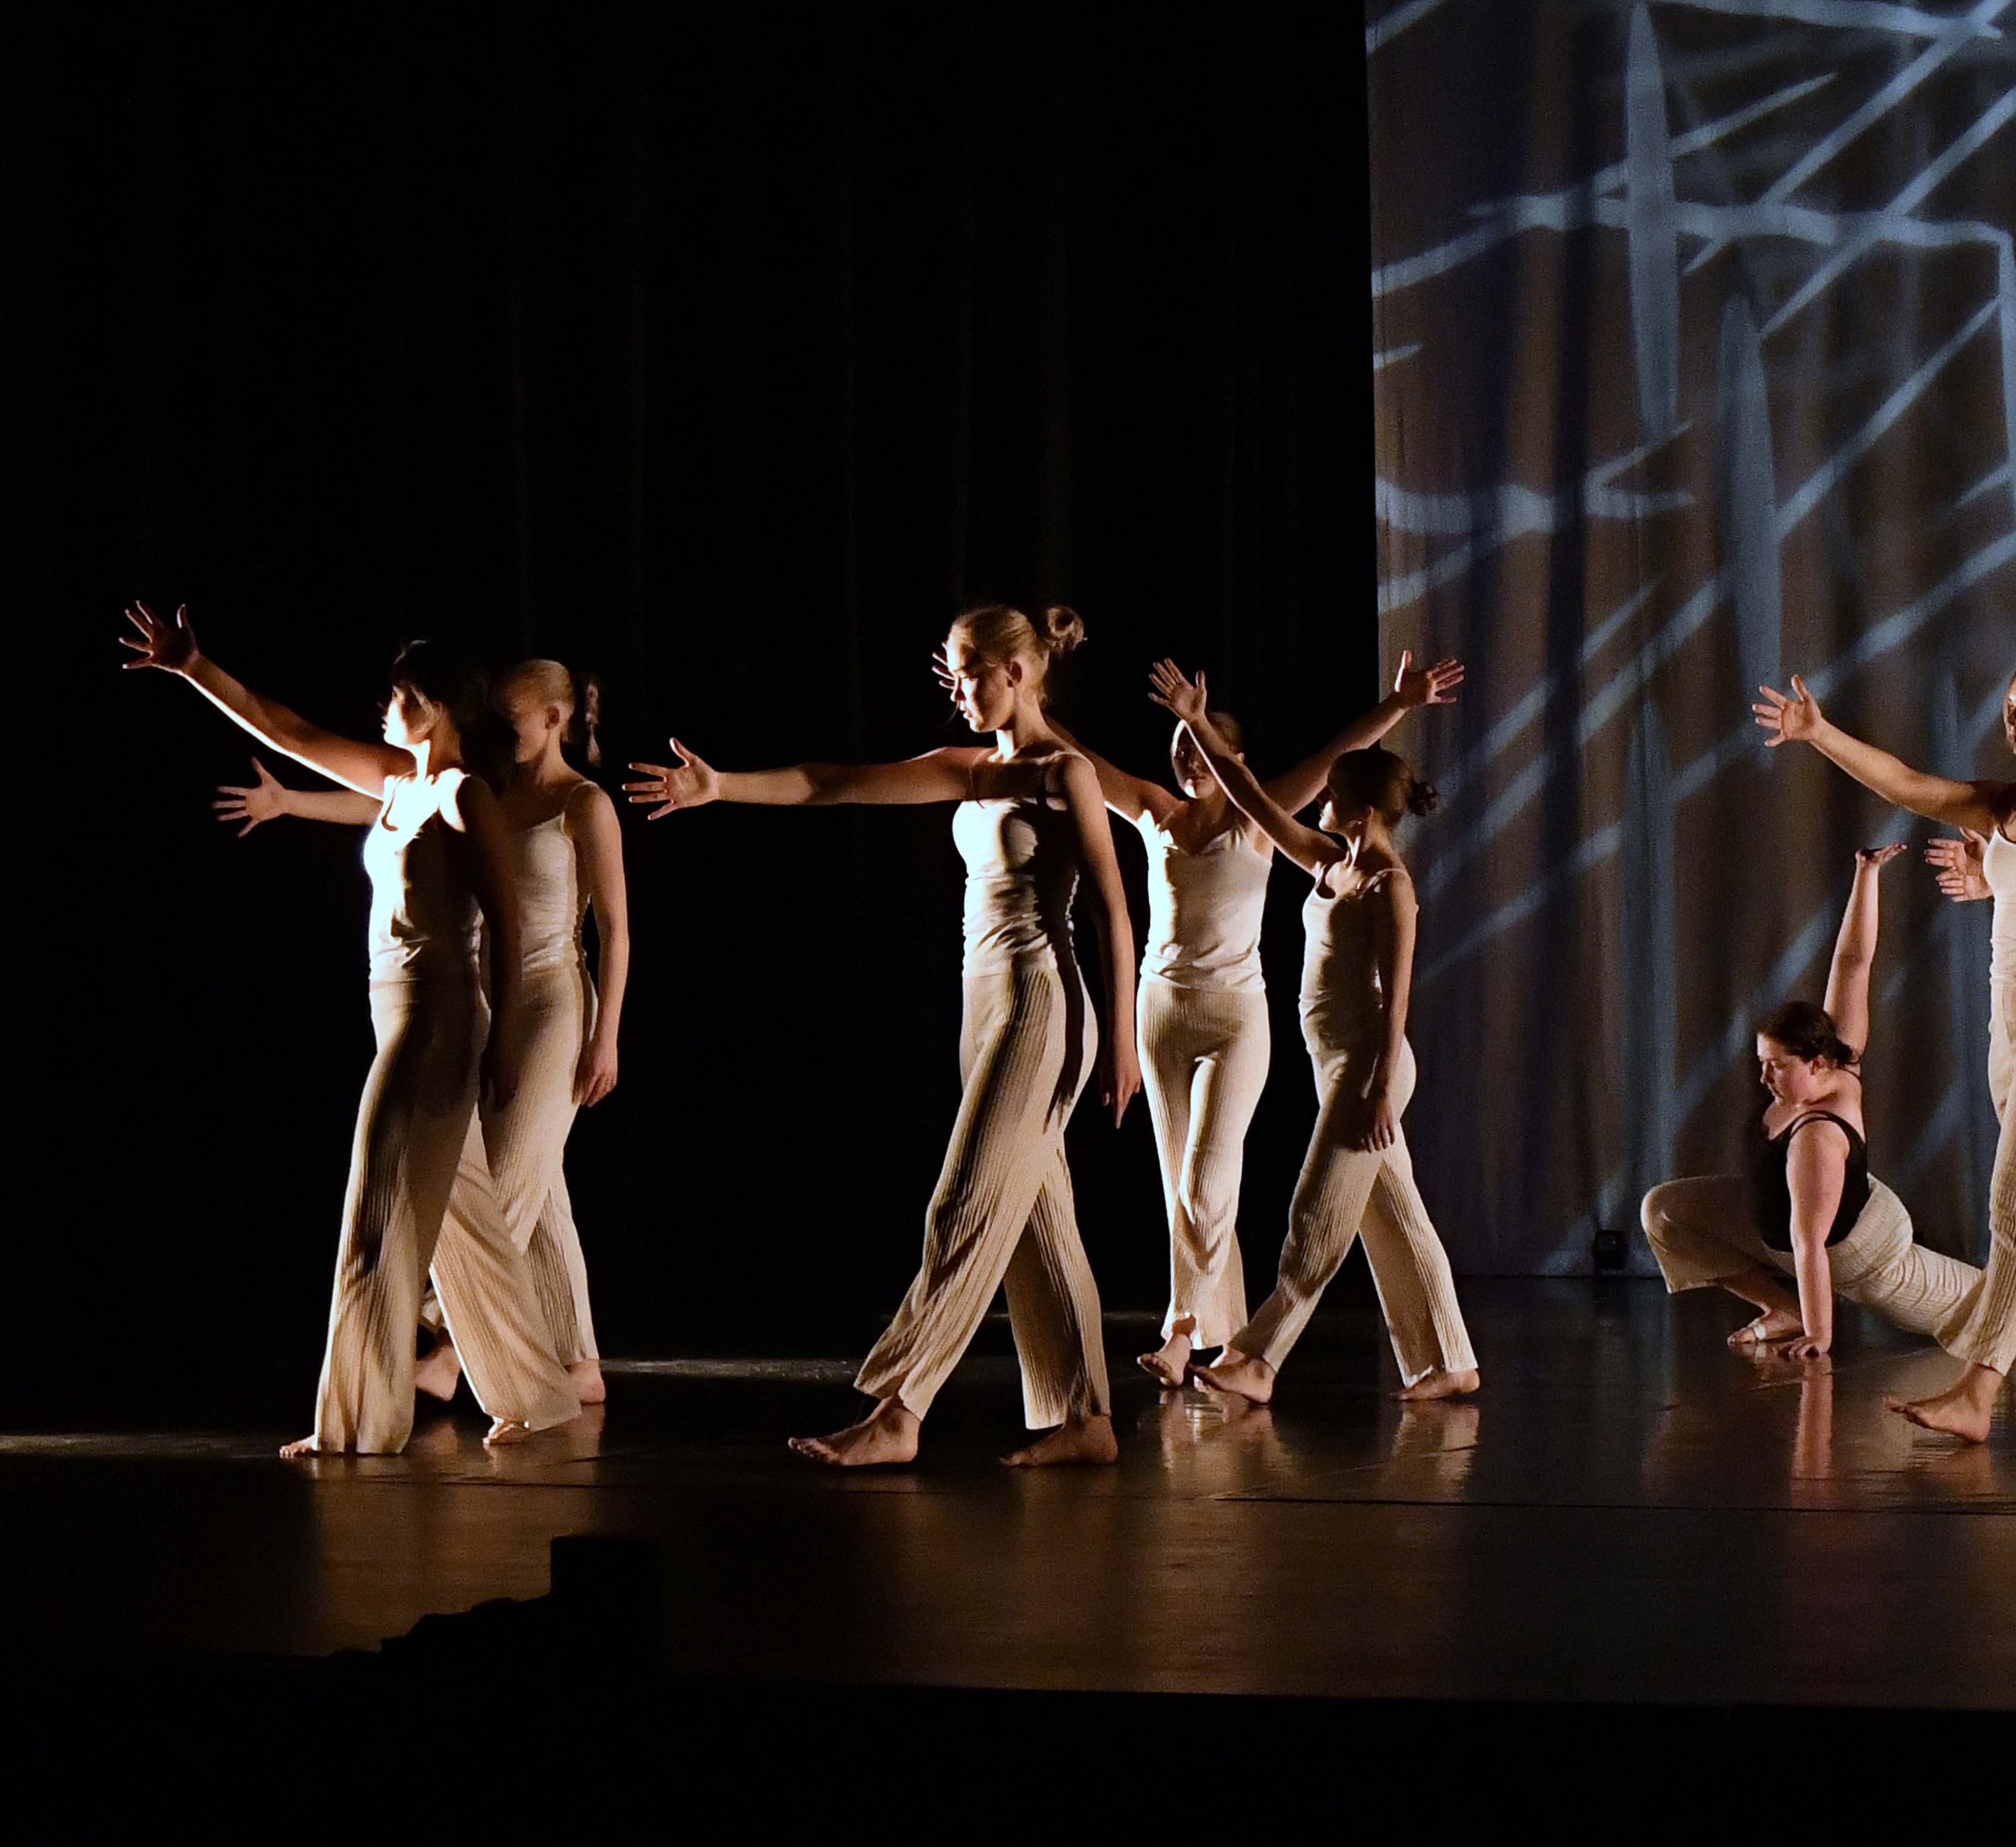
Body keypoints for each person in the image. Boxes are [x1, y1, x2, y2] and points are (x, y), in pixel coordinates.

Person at [626, 604, 1140, 1466]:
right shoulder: (970, 769)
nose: (961, 692)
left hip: (1045, 1002)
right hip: (985, 1004)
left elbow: (1118, 914)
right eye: (952, 674)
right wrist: (723, 787)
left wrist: (1122, 1041)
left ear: (1018, 673)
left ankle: (901, 1410)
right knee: (1036, 1214)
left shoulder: (1067, 773)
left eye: (971, 674)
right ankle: (1086, 1421)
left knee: (966, 1201)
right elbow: (830, 782)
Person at [123, 603, 581, 1454]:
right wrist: (195, 668)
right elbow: (289, 729)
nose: (386, 704)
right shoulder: (398, 781)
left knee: (375, 1214)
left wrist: (509, 1039)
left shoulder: (461, 794)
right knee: (462, 1224)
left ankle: (356, 1426)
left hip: (441, 1022)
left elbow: (509, 925)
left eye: (402, 693)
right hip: (394, 1010)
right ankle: (538, 1396)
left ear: (438, 707)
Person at [1754, 656, 2016, 1442]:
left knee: (2014, 1207)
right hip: (2009, 1032)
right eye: (2007, 705)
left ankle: (1977, 1391)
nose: (2010, 718)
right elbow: (1908, 785)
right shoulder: (2006, 805)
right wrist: (1820, 732)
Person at [220, 657, 626, 1407]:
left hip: (552, 1006)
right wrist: (291, 803)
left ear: (555, 720)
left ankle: (446, 1348)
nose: (499, 732)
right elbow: (393, 808)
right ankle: (575, 1361)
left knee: (503, 1187)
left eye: (512, 720)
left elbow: (615, 929)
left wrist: (607, 1038)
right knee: (543, 1184)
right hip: (491, 988)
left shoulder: (584, 801)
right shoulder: (488, 789)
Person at [1077, 654, 1464, 1389]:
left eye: (1333, 796)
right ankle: (1452, 1360)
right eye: (1180, 750)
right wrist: (1180, 722)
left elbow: (1399, 1000)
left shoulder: (1387, 883)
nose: (1319, 801)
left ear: (1362, 810)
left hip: (1345, 1058)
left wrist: (1399, 703)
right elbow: (1250, 792)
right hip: (1282, 1045)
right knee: (1395, 1217)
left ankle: (1242, 1355)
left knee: (1294, 1214)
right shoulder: (1326, 857)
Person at [1642, 845, 2016, 1356]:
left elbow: (1810, 1244)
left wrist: (1820, 1336)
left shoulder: (1818, 1132)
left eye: (1777, 1066)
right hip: (1789, 1232)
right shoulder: (1836, 1051)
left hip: (1866, 1254)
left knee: (2001, 1308)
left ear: (1817, 1064)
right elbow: (1853, 962)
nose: (1764, 1077)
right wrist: (1866, 874)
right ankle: (1782, 1308)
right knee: (1666, 1211)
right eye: (1762, 1062)